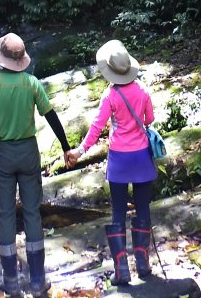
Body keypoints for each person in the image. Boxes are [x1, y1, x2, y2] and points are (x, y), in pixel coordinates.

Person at [0, 32, 71, 298]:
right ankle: (38, 282)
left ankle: (11, 282)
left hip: (3, 154)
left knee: (5, 215)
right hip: (28, 152)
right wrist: (66, 147)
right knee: (32, 213)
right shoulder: (32, 84)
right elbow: (51, 116)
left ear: (1, 58)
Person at [65, 39, 157, 285]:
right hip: (142, 158)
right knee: (143, 208)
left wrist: (80, 150)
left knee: (118, 212)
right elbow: (150, 119)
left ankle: (121, 271)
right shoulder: (143, 91)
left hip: (118, 160)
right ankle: (143, 264)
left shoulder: (110, 95)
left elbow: (97, 127)